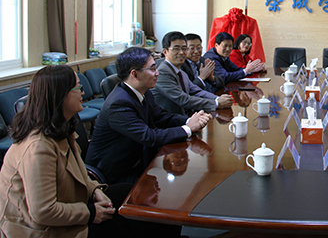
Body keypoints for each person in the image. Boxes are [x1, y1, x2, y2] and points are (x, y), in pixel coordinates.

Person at [0, 65, 118, 237]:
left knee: (124, 194)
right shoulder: (37, 147)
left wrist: (95, 190)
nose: (82, 92)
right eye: (78, 87)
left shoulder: (61, 128)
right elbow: (43, 212)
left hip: (66, 207)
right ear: (60, 96)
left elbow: (79, 172)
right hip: (40, 230)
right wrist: (90, 213)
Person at [86, 46, 212, 185]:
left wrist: (190, 120)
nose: (157, 73)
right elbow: (149, 137)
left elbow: (161, 117)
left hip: (136, 161)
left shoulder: (144, 92)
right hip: (114, 175)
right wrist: (188, 128)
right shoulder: (119, 103)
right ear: (135, 75)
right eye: (152, 69)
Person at [152, 31, 233, 115]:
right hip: (169, 119)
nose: (181, 52)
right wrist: (216, 103)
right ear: (165, 51)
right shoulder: (162, 72)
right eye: (176, 48)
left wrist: (217, 98)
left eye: (184, 48)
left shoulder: (180, 72)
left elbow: (196, 91)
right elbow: (183, 99)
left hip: (185, 116)